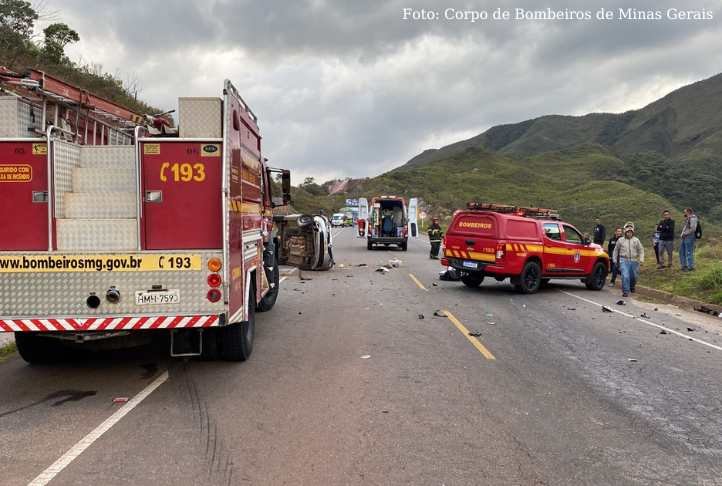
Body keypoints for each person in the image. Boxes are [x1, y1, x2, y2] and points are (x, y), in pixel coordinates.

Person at [612, 222, 644, 298]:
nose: (629, 233)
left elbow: (641, 250)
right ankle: (625, 291)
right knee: (625, 276)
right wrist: (614, 260)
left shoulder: (636, 240)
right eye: (628, 232)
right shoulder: (620, 240)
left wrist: (641, 259)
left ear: (633, 232)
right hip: (624, 260)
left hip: (634, 261)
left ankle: (632, 286)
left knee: (634, 277)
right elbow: (616, 250)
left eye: (631, 232)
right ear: (625, 232)